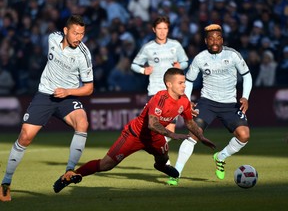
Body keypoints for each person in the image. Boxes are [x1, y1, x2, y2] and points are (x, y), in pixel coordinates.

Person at [52, 68, 216, 193]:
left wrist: (201, 137)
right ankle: (70, 176)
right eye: (180, 83)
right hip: (135, 134)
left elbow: (189, 123)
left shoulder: (184, 101)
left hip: (155, 138)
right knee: (106, 165)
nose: (184, 86)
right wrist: (171, 134)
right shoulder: (159, 99)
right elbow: (152, 124)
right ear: (169, 84)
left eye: (184, 82)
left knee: (163, 158)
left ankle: (162, 167)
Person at [0, 15, 94, 202]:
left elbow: (89, 88)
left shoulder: (83, 55)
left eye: (82, 34)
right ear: (65, 31)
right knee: (25, 137)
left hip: (67, 96)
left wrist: (67, 91)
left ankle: (69, 171)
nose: (78, 37)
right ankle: (6, 183)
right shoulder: (52, 38)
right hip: (45, 95)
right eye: (75, 33)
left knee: (82, 123)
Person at [166, 24, 253, 186]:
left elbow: (247, 76)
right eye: (211, 38)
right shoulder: (200, 58)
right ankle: (175, 173)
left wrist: (245, 97)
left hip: (229, 104)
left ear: (222, 40)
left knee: (244, 135)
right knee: (193, 134)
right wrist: (187, 100)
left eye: (217, 38)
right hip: (207, 103)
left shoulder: (233, 55)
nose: (214, 41)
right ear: (206, 41)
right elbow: (189, 81)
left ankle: (221, 157)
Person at [131, 15, 188, 144]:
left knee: (171, 128)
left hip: (172, 92)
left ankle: (161, 157)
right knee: (157, 126)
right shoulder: (148, 47)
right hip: (155, 90)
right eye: (159, 28)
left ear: (168, 30)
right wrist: (143, 70)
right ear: (153, 29)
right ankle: (163, 159)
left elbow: (185, 62)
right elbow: (134, 65)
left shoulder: (175, 45)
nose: (162, 31)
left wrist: (181, 66)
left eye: (165, 28)